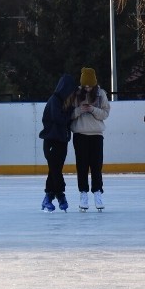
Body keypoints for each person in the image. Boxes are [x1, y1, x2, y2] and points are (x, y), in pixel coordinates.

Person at [71, 67, 110, 211]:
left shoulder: (101, 94)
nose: (87, 88)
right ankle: (83, 194)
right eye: (85, 86)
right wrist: (78, 111)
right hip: (80, 134)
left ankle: (98, 193)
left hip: (96, 135)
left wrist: (93, 110)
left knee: (96, 166)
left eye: (90, 86)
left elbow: (105, 113)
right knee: (81, 166)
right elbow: (68, 114)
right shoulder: (75, 94)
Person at [38, 74, 77, 212]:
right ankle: (60, 195)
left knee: (55, 170)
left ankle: (48, 198)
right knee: (55, 170)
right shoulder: (54, 100)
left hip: (62, 141)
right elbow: (59, 119)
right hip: (50, 141)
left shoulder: (68, 103)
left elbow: (67, 120)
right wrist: (71, 115)